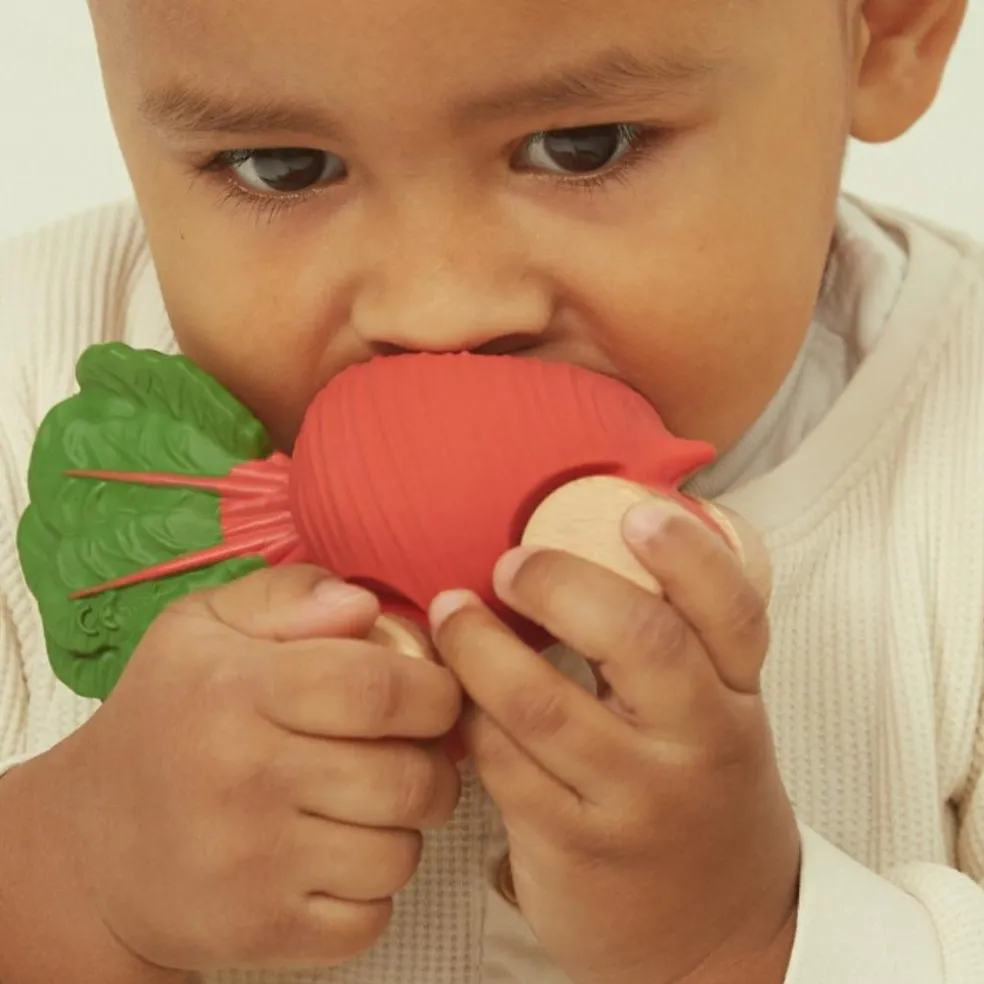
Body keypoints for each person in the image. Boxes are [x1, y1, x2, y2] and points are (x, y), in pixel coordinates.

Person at [0, 0, 981, 981]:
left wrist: (751, 940)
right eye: (283, 166)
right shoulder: (23, 379)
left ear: (885, 27)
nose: (436, 308)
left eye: (581, 146)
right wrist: (73, 874)